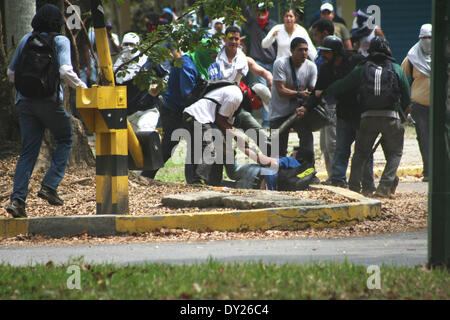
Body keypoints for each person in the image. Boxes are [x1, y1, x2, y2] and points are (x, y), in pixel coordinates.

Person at [6, 4, 87, 218]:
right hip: (49, 102)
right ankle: (49, 186)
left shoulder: (26, 40)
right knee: (66, 137)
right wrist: (84, 88)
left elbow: (11, 73)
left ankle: (17, 200)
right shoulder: (60, 41)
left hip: (24, 102)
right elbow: (65, 71)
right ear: (58, 23)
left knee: (28, 152)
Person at [324, 37, 411, 197]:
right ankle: (384, 188)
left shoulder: (363, 68)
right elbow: (407, 97)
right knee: (395, 154)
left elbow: (343, 85)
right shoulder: (396, 68)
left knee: (361, 153)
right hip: (391, 117)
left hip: (367, 117)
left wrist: (325, 89)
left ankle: (354, 189)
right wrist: (402, 117)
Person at [141, 40, 219, 179]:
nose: (214, 60)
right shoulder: (187, 65)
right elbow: (187, 94)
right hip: (173, 110)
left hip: (187, 110)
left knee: (197, 143)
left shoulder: (199, 63)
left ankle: (194, 180)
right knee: (169, 145)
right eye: (213, 56)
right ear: (205, 53)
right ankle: (146, 175)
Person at [182, 83, 276, 185]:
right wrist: (237, 137)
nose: (259, 107)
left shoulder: (237, 106)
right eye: (261, 104)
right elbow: (219, 120)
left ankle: (212, 182)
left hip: (201, 118)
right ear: (254, 97)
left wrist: (228, 149)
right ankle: (197, 182)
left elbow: (225, 128)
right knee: (209, 149)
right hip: (197, 116)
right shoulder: (236, 96)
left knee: (214, 151)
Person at [313, 36, 375, 191]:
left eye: (326, 53)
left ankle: (368, 185)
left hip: (362, 114)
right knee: (341, 149)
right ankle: (338, 181)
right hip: (344, 114)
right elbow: (317, 92)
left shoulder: (356, 60)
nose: (323, 56)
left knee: (364, 151)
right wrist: (306, 108)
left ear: (336, 52)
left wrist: (329, 90)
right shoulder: (326, 69)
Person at [269, 37, 317, 166]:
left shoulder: (311, 67)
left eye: (306, 50)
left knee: (307, 139)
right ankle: (275, 176)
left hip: (298, 112)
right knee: (277, 150)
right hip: (279, 112)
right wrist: (300, 94)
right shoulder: (280, 64)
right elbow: (281, 90)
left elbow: (314, 92)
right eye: (300, 50)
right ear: (291, 50)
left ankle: (309, 170)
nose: (304, 53)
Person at [401, 24, 432, 182]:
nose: (427, 41)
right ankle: (428, 171)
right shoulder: (413, 57)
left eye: (430, 38)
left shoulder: (444, 54)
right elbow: (402, 74)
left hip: (442, 106)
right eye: (424, 38)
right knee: (424, 137)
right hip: (419, 106)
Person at [242, 3, 278, 128]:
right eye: (259, 11)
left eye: (264, 11)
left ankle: (274, 119)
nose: (262, 14)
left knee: (274, 90)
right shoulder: (253, 24)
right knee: (262, 91)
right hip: (258, 62)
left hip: (272, 62)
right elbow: (244, 12)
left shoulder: (273, 25)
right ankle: (266, 122)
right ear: (256, 12)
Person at [311, 18, 337, 182]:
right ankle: (332, 176)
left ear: (325, 33)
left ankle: (336, 177)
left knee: (332, 144)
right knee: (325, 146)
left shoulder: (332, 54)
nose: (314, 37)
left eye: (316, 34)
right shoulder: (321, 54)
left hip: (332, 103)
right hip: (323, 104)